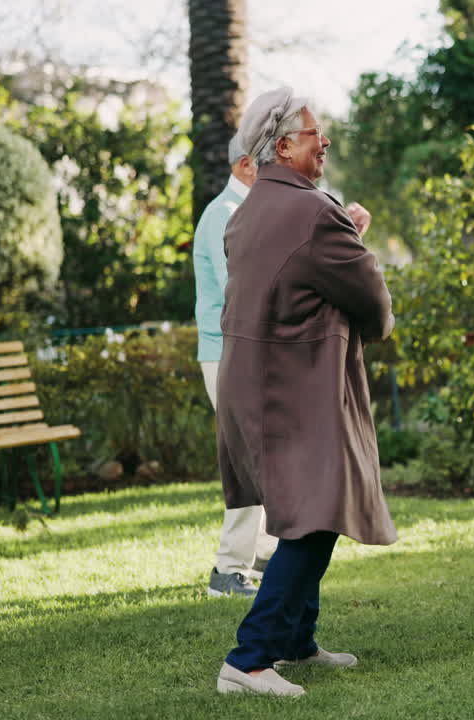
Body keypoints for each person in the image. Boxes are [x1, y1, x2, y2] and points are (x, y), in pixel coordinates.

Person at [213, 86, 395, 697]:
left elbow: (293, 276)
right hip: (297, 387)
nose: (326, 141)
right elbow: (374, 306)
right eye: (315, 133)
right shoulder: (317, 212)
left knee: (308, 511)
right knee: (314, 516)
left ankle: (296, 639)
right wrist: (350, 235)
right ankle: (249, 659)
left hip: (251, 385)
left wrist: (344, 230)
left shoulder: (248, 210)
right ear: (283, 146)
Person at [192, 132, 278, 598]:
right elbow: (243, 288)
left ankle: (261, 552)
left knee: (261, 453)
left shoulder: (244, 210)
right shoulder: (225, 214)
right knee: (247, 459)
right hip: (227, 353)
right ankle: (227, 570)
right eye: (269, 162)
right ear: (246, 165)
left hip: (242, 351)